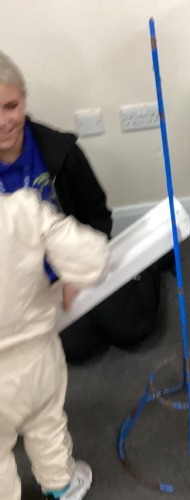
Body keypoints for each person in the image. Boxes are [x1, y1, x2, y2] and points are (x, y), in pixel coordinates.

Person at [0, 50, 174, 364]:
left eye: (11, 106)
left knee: (133, 328)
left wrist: (76, 272)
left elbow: (97, 215)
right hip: (27, 282)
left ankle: (151, 262)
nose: (3, 122)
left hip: (78, 258)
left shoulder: (61, 152)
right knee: (77, 348)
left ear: (24, 98)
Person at [0, 188, 110, 500]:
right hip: (37, 360)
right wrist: (73, 277)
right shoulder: (22, 209)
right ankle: (61, 487)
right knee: (45, 425)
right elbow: (94, 257)